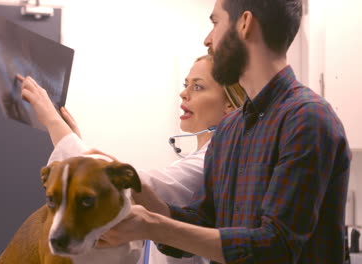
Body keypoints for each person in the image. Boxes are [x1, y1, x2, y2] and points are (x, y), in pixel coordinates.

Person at [92, 0, 352, 263]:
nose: (207, 39)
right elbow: (204, 222)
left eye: (215, 23)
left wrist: (155, 226)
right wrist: (143, 195)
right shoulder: (230, 129)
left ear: (245, 23)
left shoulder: (307, 119)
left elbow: (277, 247)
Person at [17, 54, 246, 264]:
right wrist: (73, 143)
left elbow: (119, 186)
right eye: (186, 85)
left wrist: (52, 120)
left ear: (229, 104)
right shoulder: (198, 156)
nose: (184, 93)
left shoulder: (209, 160)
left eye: (198, 87)